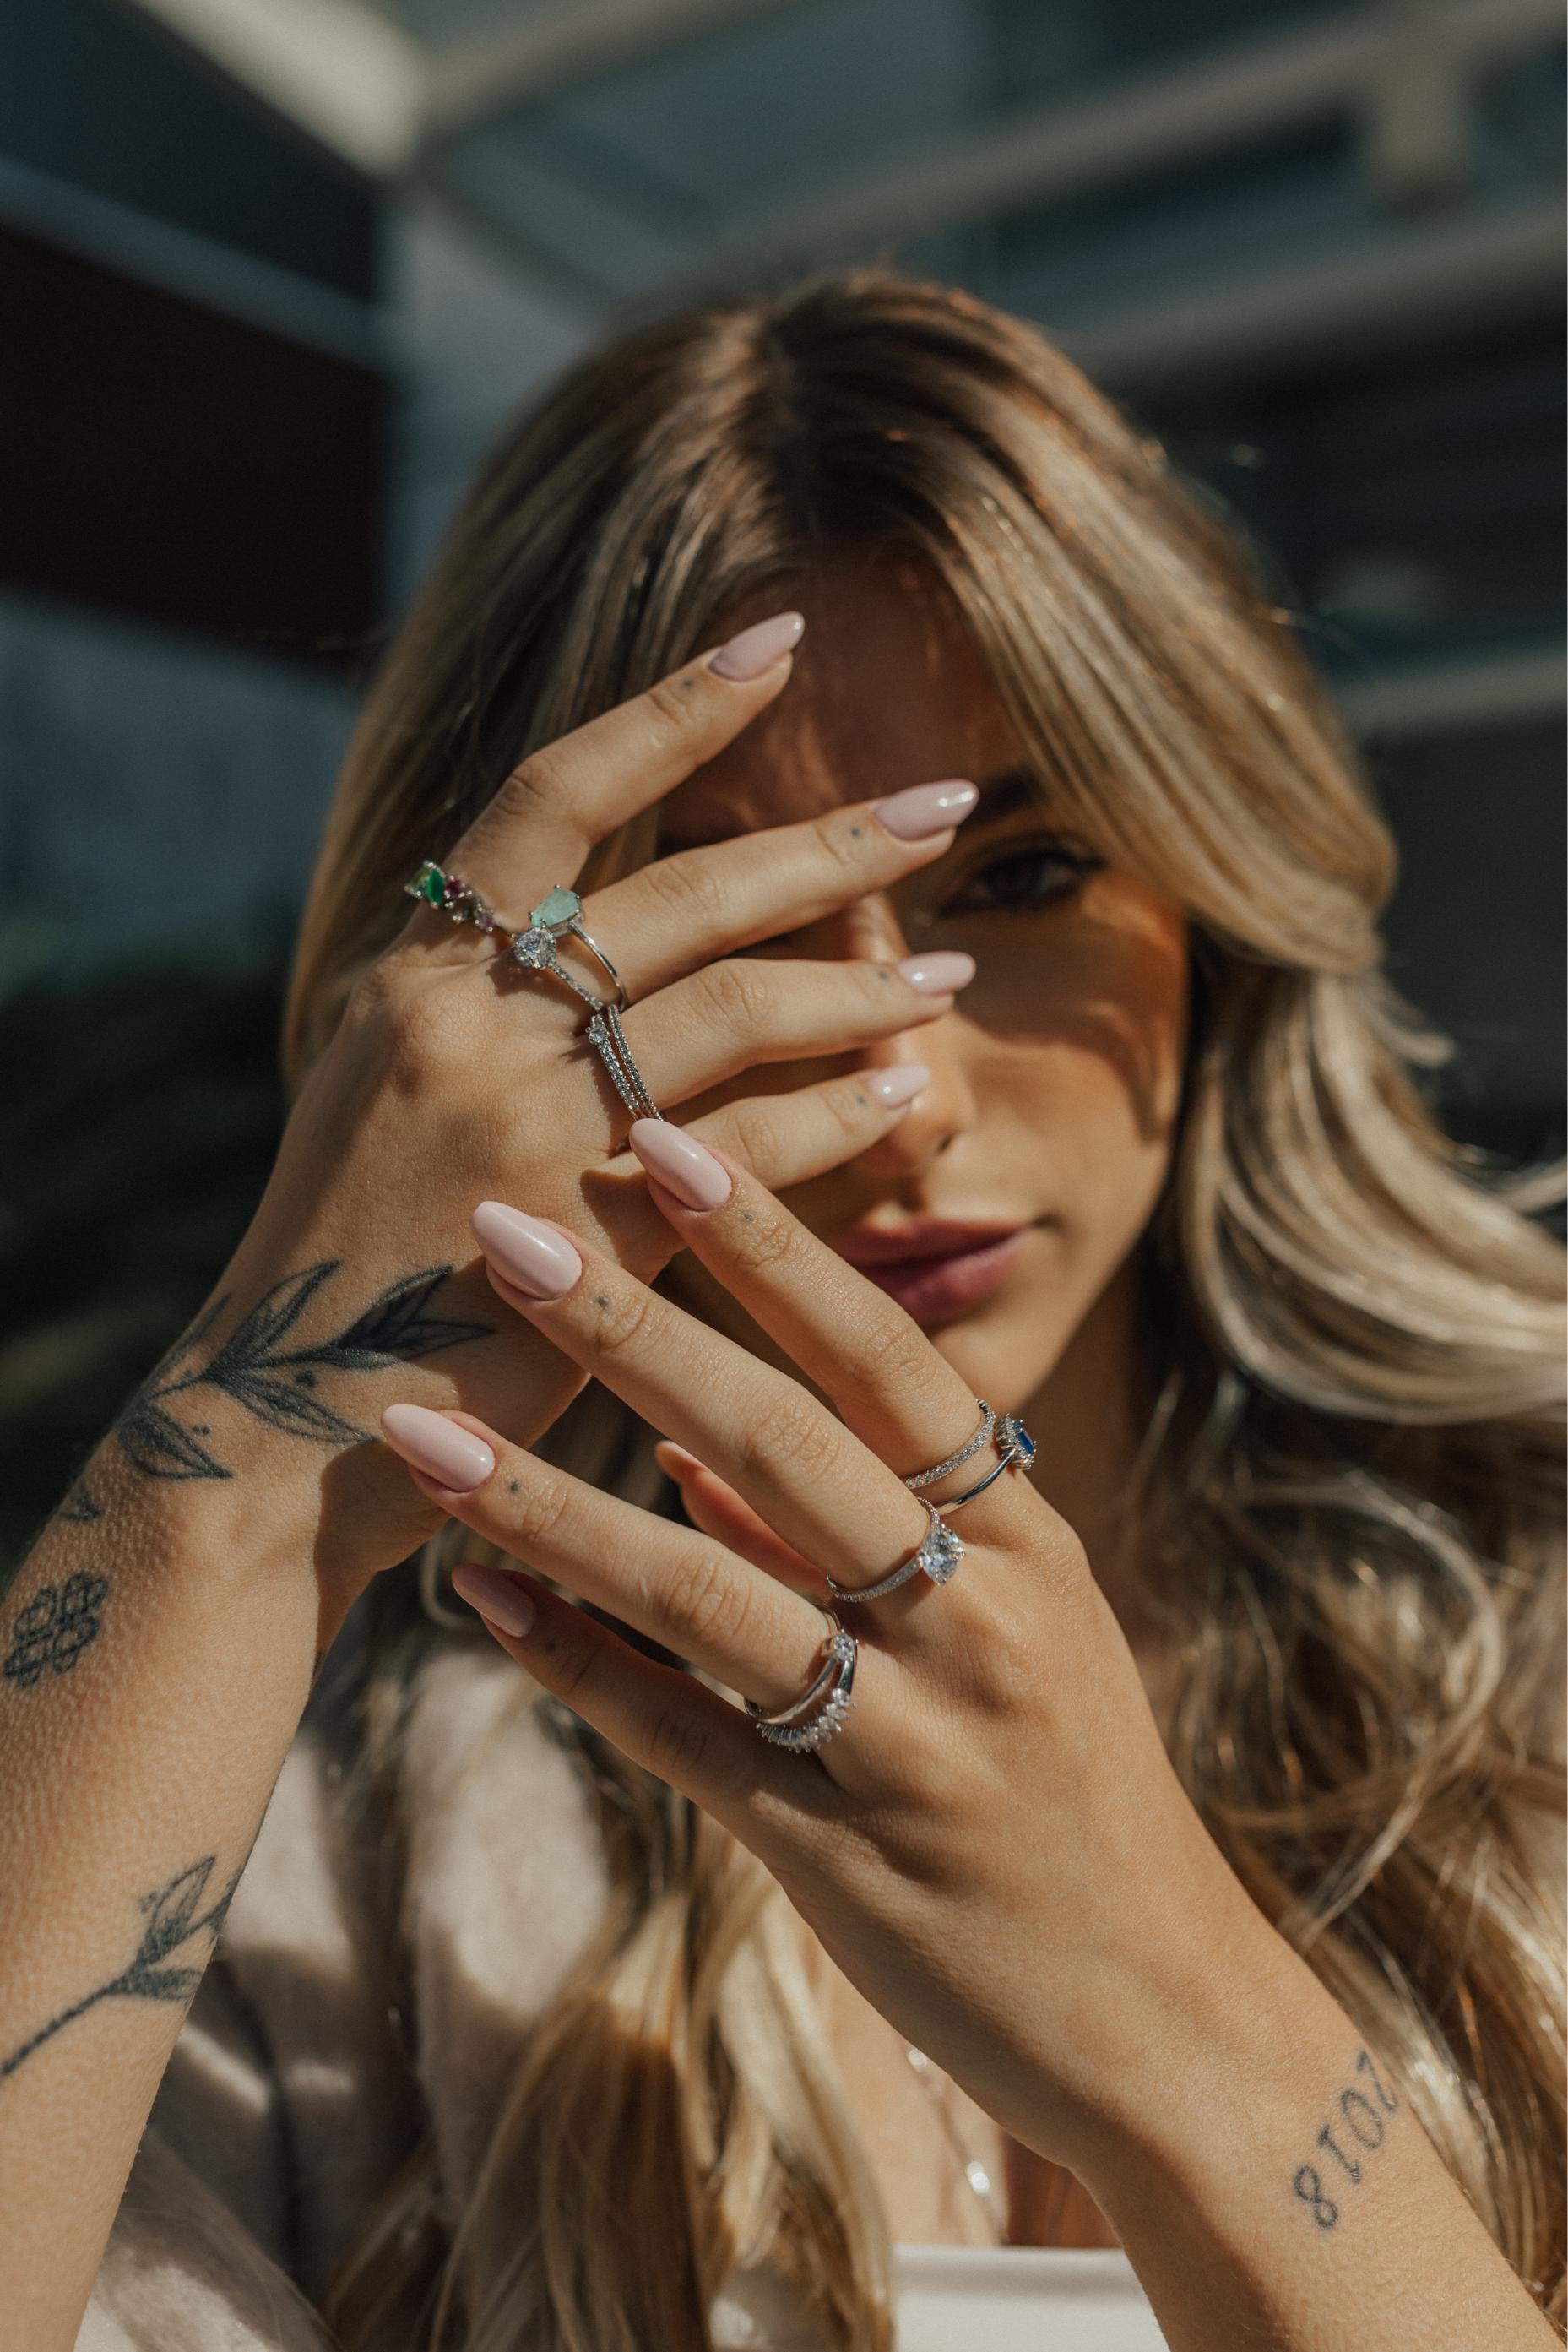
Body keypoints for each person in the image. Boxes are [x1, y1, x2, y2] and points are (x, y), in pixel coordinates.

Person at [3, 269, 1562, 2352]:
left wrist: (1187, 2025)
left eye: (1020, 877)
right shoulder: (310, 1856)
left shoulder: (1534, 1667)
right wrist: (223, 1478)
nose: (895, 1097)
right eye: (696, 936)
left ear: (1214, 898)